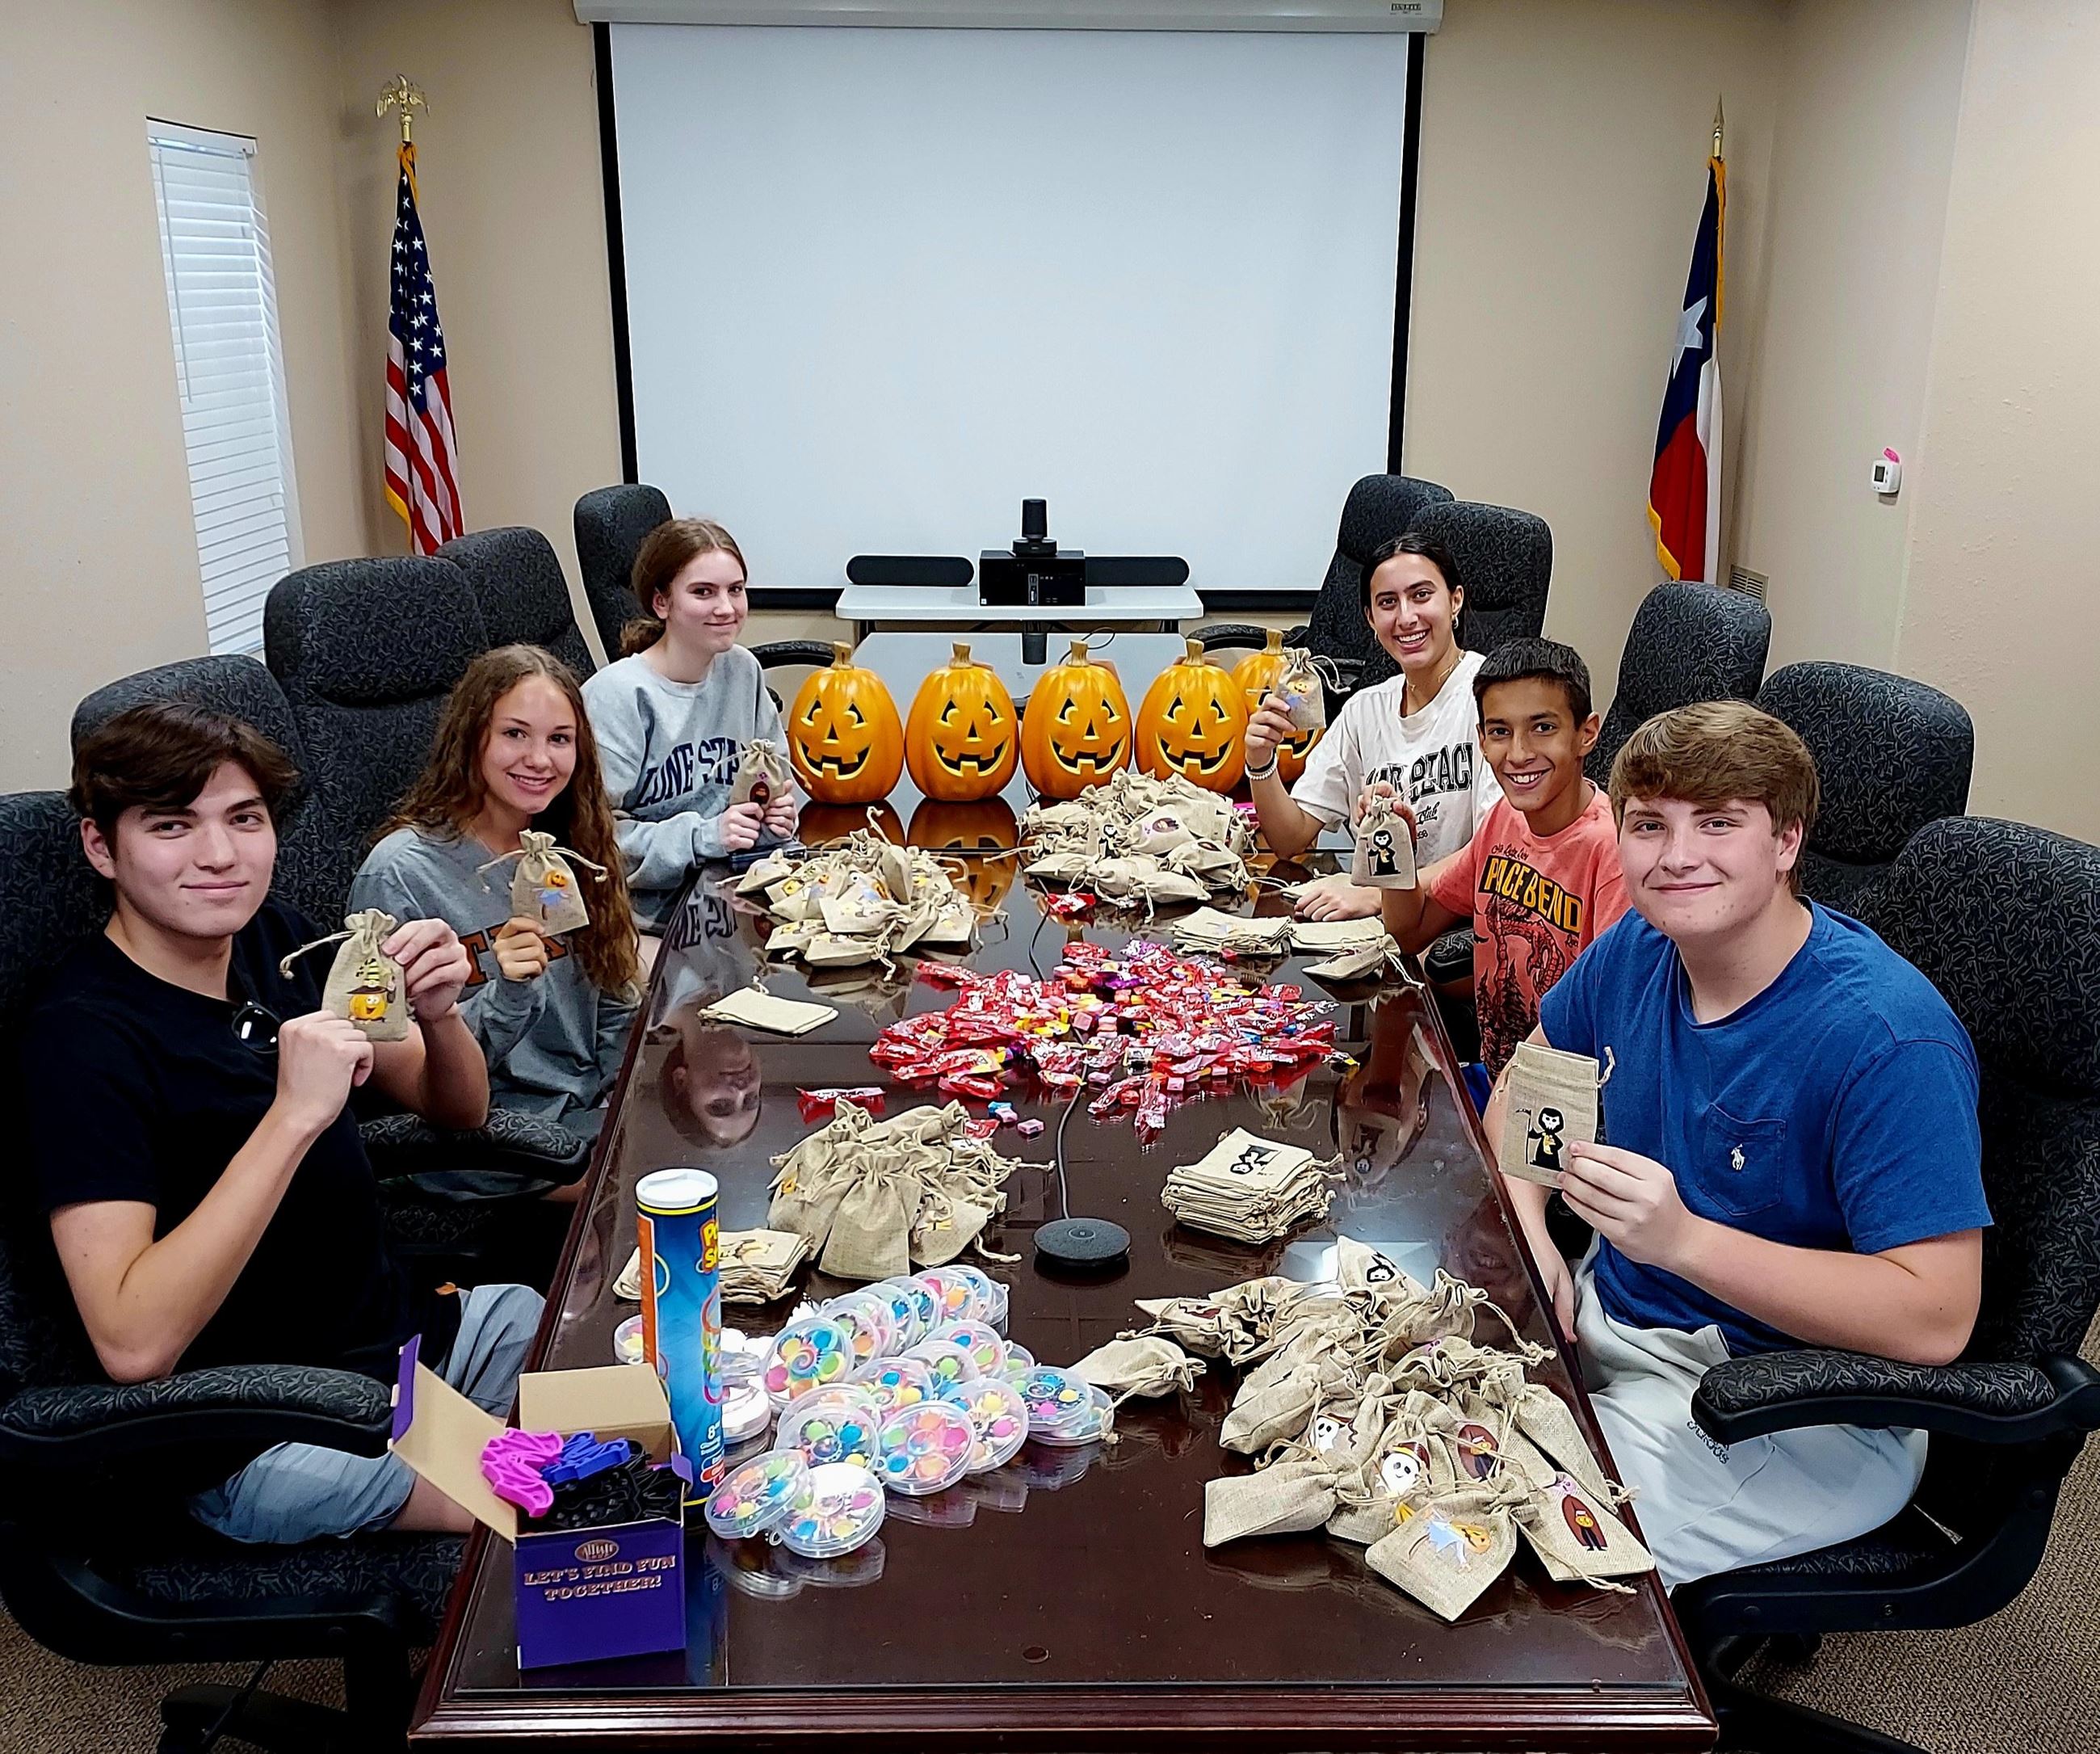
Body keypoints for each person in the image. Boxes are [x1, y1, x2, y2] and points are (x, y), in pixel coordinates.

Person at [1489, 700, 1989, 1588]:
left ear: (1786, 841)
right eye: (1648, 825)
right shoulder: (1637, 946)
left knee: (1501, 1562)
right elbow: (1530, 1082)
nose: (1676, 857)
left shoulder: (1885, 1037)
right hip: (1615, 1324)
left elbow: (1936, 1317)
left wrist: (1683, 1241)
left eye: (1717, 822)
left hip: (1786, 1406)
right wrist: (1533, 1234)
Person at [23, 703, 542, 1543]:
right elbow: (131, 1340)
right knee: (580, 1517)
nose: (220, 854)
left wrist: (441, 1016)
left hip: (394, 1346)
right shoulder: (82, 1041)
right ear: (100, 846)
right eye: (171, 825)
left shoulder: (278, 940)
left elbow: (459, 1108)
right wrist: (292, 1116)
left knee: (619, 1363)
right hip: (268, 1427)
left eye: (244, 819)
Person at [353, 644, 641, 1154]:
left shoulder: (568, 846)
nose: (539, 759)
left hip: (586, 1110)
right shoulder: (400, 874)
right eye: (514, 734)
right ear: (471, 739)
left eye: (560, 739)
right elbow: (422, 1078)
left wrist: (626, 1095)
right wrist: (508, 992)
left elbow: (612, 994)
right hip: (494, 1134)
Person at [1367, 637, 1630, 1075]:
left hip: (1563, 1112)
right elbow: (1409, 932)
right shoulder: (1502, 820)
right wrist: (1397, 847)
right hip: (1496, 1078)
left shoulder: (1612, 850)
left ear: (1587, 734)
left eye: (1543, 727)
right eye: (1500, 732)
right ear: (1482, 740)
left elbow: (1609, 1022)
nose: (1519, 754)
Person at [1246, 532, 1500, 922]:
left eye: (1421, 595)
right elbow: (1289, 838)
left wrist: (1384, 893)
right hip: (1376, 923)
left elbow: (1497, 849)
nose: (1405, 617)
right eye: (1387, 603)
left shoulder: (1491, 698)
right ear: (1370, 618)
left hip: (1456, 926)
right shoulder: (1365, 709)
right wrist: (1260, 762)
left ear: (1455, 600)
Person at [581, 517, 801, 930]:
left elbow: (778, 779)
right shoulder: (617, 697)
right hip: (649, 919)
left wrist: (780, 815)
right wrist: (703, 836)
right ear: (662, 603)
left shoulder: (742, 671)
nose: (726, 608)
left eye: (735, 590)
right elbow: (593, 841)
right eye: (703, 592)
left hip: (735, 898)